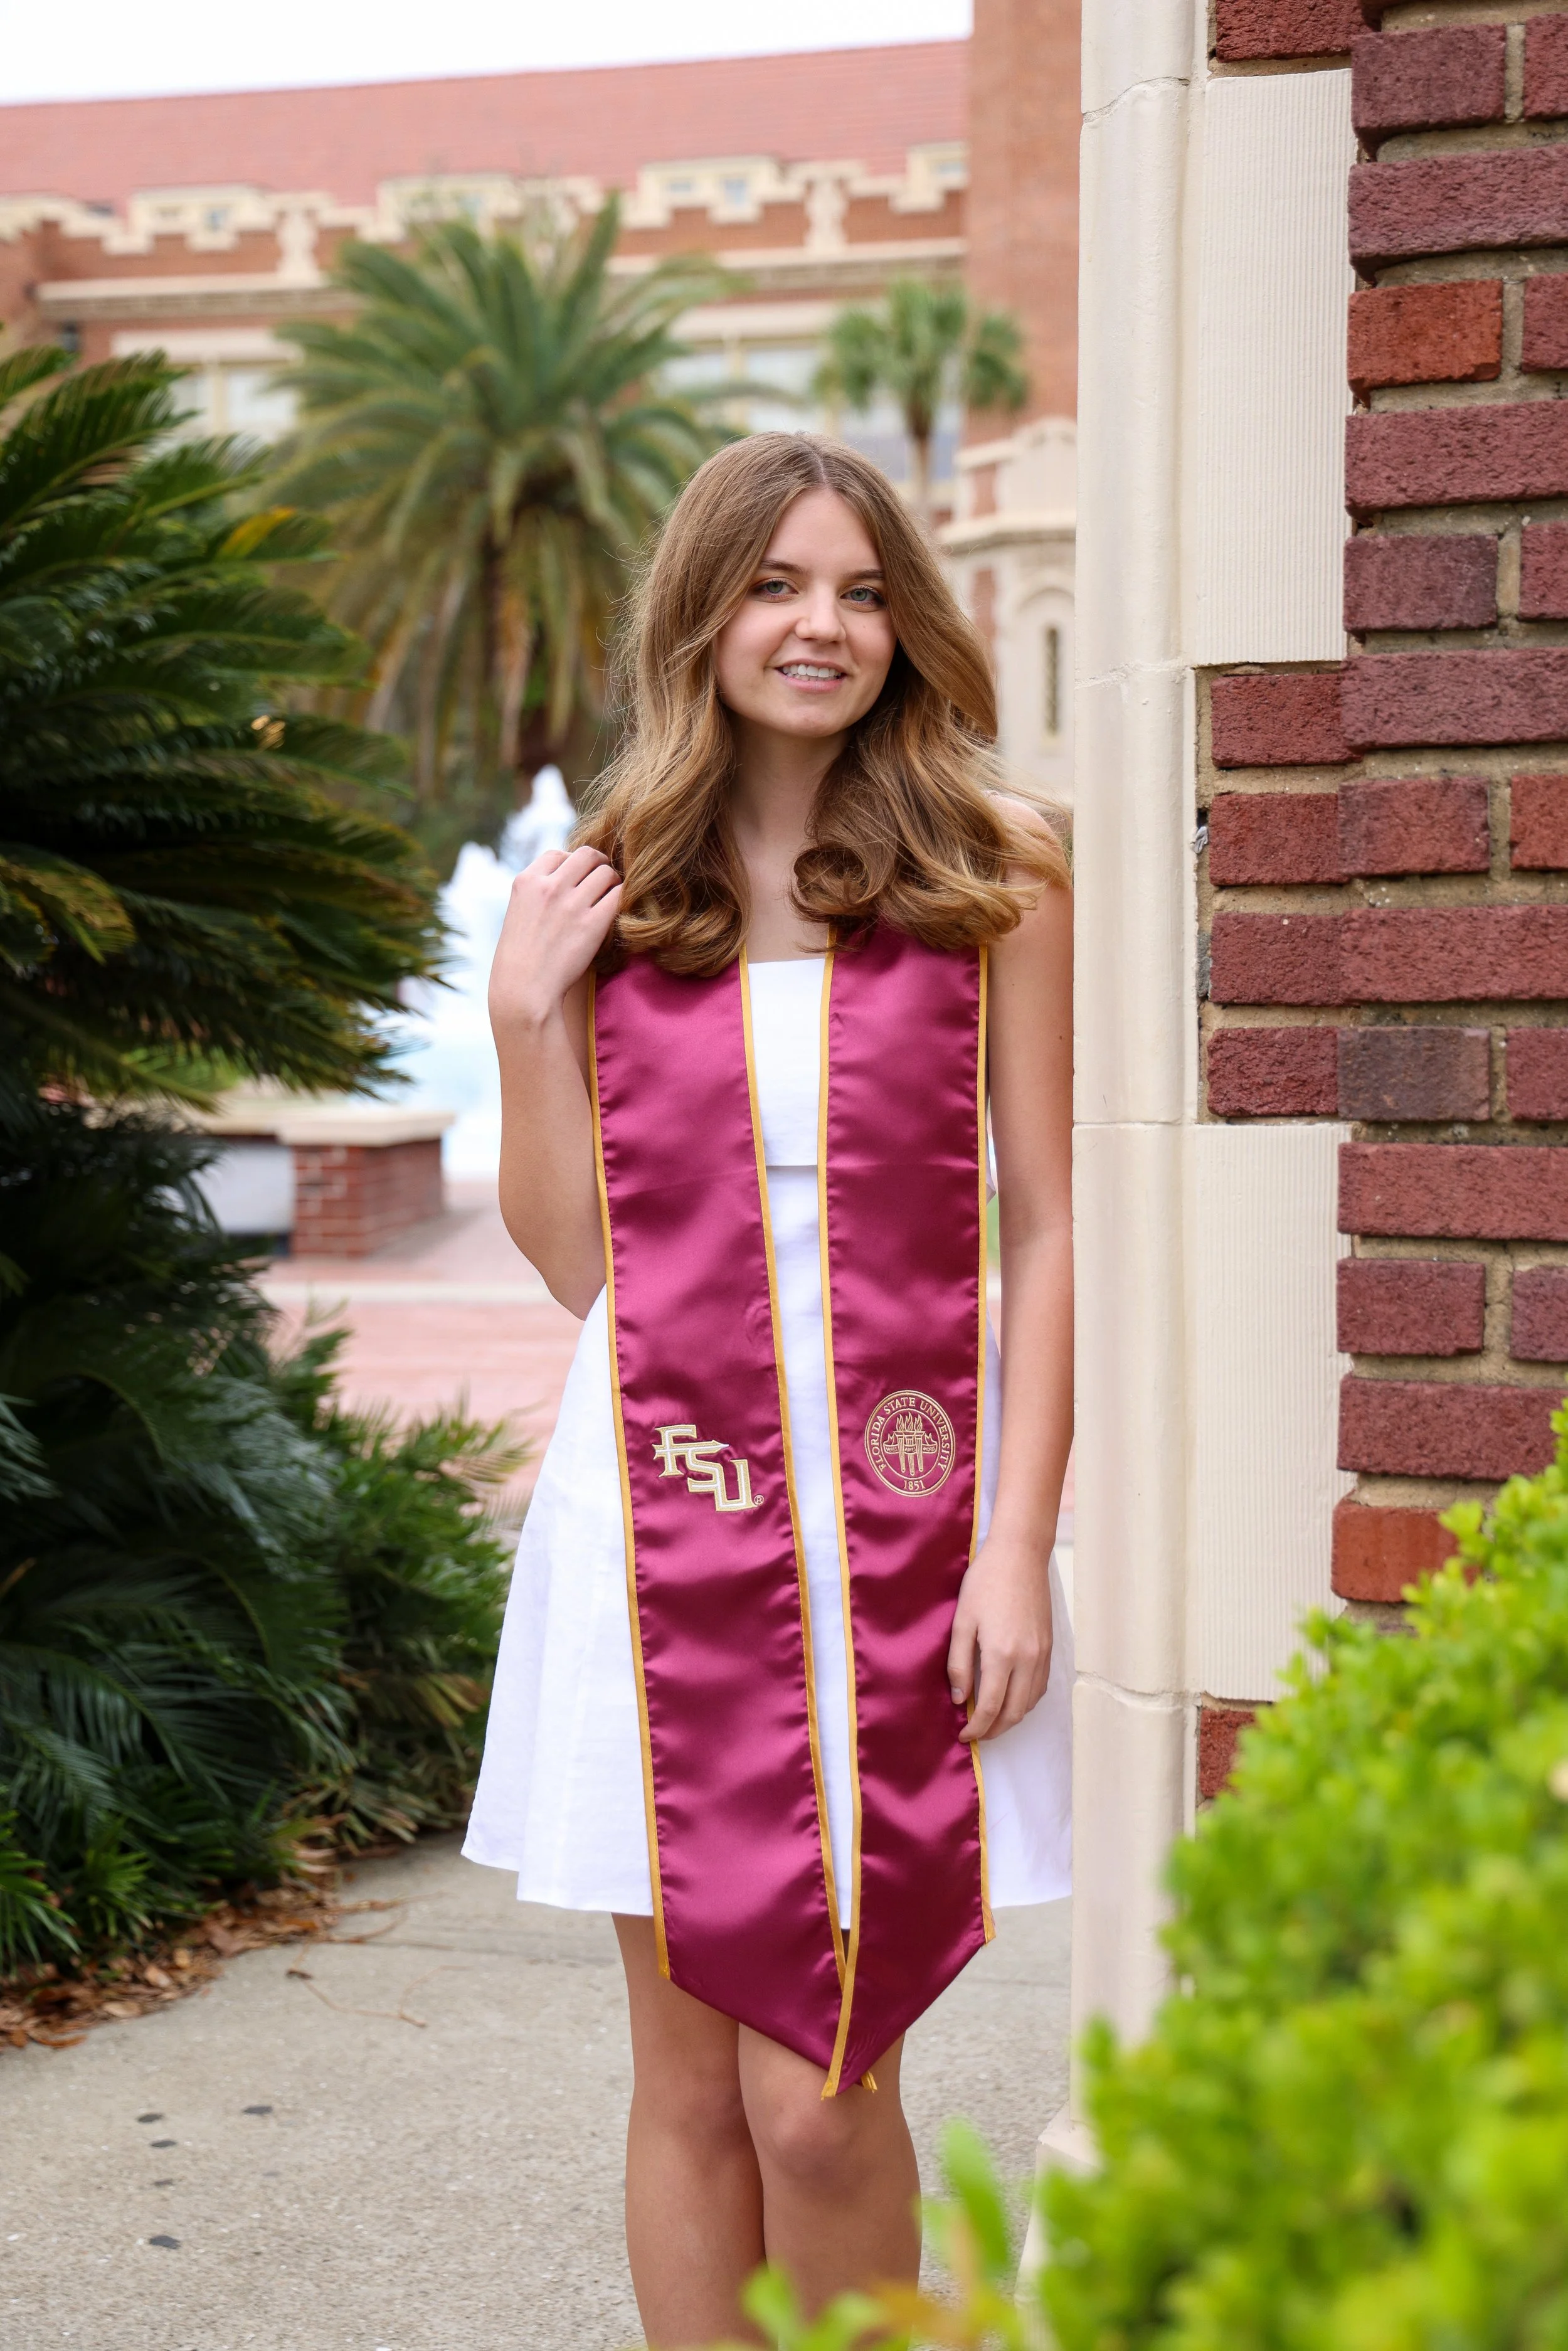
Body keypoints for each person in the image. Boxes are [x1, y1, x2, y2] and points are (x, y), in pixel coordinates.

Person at [464, 433, 1073, 2348]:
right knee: (690, 2091)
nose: (823, 626)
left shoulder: (988, 873)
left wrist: (1016, 1546)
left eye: (863, 591)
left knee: (817, 2093)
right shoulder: (617, 892)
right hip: (661, 1521)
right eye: (778, 585)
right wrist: (523, 1020)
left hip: (899, 1517)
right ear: (701, 614)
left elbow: (1051, 1221)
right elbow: (582, 1266)